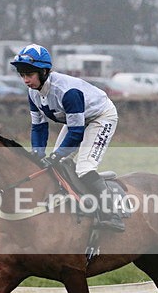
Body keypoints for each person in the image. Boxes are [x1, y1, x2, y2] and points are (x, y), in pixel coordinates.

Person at [11, 43, 124, 232]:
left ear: (44, 72)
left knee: (85, 168)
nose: (25, 80)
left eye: (29, 74)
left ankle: (113, 213)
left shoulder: (67, 92)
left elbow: (76, 133)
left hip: (100, 117)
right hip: (77, 121)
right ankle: (70, 206)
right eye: (22, 75)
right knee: (57, 166)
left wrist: (55, 156)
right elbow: (38, 127)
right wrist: (38, 153)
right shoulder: (33, 93)